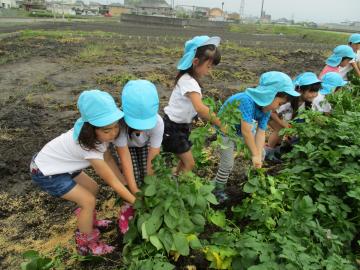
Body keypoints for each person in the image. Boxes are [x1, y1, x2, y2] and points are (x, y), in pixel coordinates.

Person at [30, 90, 139, 255]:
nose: (113, 133)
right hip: (45, 172)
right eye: (106, 130)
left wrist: (125, 183)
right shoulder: (88, 147)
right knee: (88, 201)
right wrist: (136, 201)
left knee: (93, 189)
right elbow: (112, 181)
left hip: (61, 165)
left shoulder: (99, 138)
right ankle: (86, 243)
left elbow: (109, 160)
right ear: (91, 129)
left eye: (116, 126)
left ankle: (88, 222)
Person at [213, 71, 300, 202]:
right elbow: (246, 132)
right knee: (228, 163)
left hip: (241, 130)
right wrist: (254, 154)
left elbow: (261, 132)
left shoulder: (266, 109)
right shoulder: (246, 101)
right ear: (269, 95)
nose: (278, 107)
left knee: (262, 154)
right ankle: (218, 188)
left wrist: (258, 156)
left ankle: (251, 179)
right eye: (279, 103)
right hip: (226, 130)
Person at [162, 35, 226, 174]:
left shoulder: (188, 79)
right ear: (196, 61)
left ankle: (175, 180)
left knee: (184, 161)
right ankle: (181, 190)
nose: (210, 71)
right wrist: (219, 123)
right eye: (209, 67)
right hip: (173, 128)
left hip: (180, 126)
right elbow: (200, 108)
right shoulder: (188, 82)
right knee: (189, 163)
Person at [115, 80, 164, 187]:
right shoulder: (118, 124)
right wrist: (134, 190)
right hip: (126, 148)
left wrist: (150, 187)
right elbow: (124, 156)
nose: (140, 129)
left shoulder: (158, 123)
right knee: (134, 178)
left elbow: (153, 156)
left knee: (146, 175)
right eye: (136, 124)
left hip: (144, 145)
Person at [265, 72, 321, 161]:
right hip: (270, 115)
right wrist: (285, 125)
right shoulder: (287, 100)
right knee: (280, 130)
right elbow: (271, 112)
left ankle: (280, 146)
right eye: (311, 91)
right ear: (300, 90)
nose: (314, 94)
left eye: (316, 91)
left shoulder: (307, 102)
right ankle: (268, 152)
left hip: (284, 117)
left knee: (297, 127)